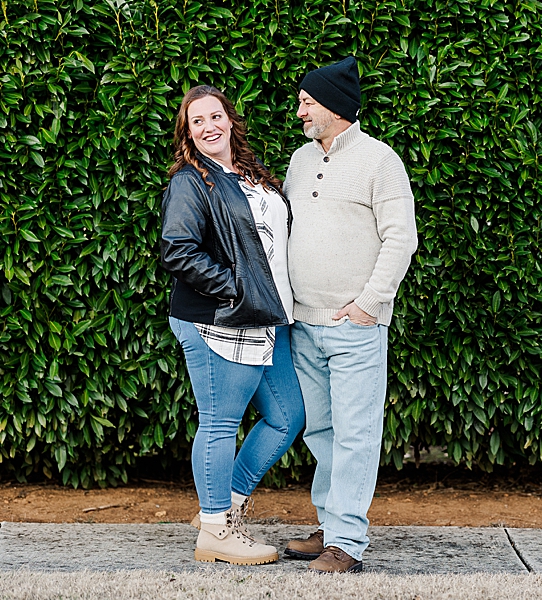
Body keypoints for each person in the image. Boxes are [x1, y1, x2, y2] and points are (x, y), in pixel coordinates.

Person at [281, 57, 418, 573]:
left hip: (354, 325)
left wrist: (368, 304)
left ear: (335, 107)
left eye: (307, 102)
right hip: (303, 321)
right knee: (321, 430)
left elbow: (401, 239)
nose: (300, 112)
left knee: (357, 432)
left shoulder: (380, 161)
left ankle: (347, 543)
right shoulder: (299, 160)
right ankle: (331, 523)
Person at [160, 85, 305, 565]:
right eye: (196, 120)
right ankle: (217, 533)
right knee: (221, 421)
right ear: (187, 131)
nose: (208, 127)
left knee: (286, 417)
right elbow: (178, 250)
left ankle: (224, 507)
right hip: (219, 318)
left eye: (215, 116)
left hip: (271, 317)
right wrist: (237, 289)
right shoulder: (191, 180)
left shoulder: (250, 172)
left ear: (230, 120)